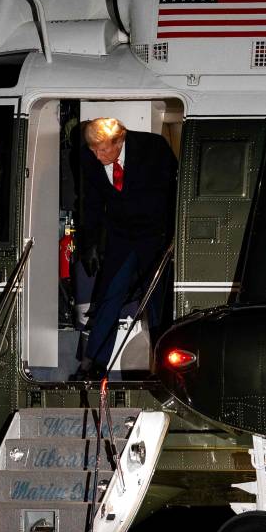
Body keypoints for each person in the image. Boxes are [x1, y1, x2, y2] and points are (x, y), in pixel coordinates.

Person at [74, 117, 177, 378]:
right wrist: (90, 244)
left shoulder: (153, 148)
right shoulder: (89, 158)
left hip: (156, 236)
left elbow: (174, 193)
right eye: (93, 150)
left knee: (157, 303)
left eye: (103, 150)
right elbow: (91, 202)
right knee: (109, 296)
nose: (97, 157)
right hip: (121, 237)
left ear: (119, 141)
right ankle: (94, 364)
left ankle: (163, 367)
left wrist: (174, 237)